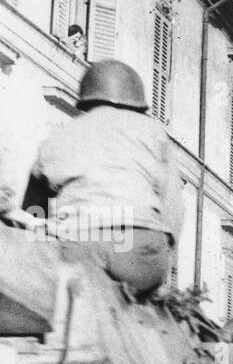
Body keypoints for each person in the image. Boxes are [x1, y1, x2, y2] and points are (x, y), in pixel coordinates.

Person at [29, 60, 183, 296]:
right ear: (137, 102)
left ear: (87, 99)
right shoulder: (155, 134)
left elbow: (33, 209)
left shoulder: (60, 132)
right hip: (138, 251)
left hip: (77, 243)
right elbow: (173, 209)